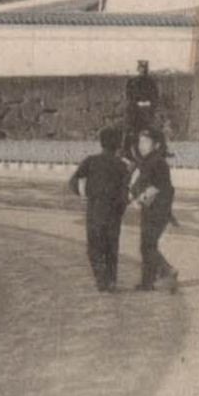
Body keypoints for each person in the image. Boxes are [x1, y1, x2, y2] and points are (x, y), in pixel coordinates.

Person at [69, 127, 131, 292]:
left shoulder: (91, 161)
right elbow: (125, 193)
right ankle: (111, 280)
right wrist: (121, 209)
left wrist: (82, 193)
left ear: (101, 143)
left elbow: (74, 181)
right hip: (114, 213)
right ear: (118, 144)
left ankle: (101, 278)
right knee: (112, 247)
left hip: (95, 210)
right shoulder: (122, 165)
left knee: (94, 247)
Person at [128, 128, 179, 292]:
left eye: (145, 142)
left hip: (155, 209)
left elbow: (156, 187)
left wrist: (140, 201)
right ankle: (148, 281)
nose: (141, 145)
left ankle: (166, 270)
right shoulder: (151, 161)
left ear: (156, 145)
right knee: (147, 245)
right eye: (140, 141)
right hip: (155, 209)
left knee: (147, 245)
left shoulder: (155, 162)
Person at [123, 59, 161, 157]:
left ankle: (162, 149)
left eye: (144, 68)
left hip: (148, 110)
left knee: (155, 130)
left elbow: (155, 95)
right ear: (138, 69)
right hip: (135, 111)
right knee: (131, 131)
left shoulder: (151, 82)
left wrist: (149, 104)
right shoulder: (132, 81)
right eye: (140, 68)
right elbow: (129, 96)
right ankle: (126, 149)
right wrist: (137, 104)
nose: (142, 70)